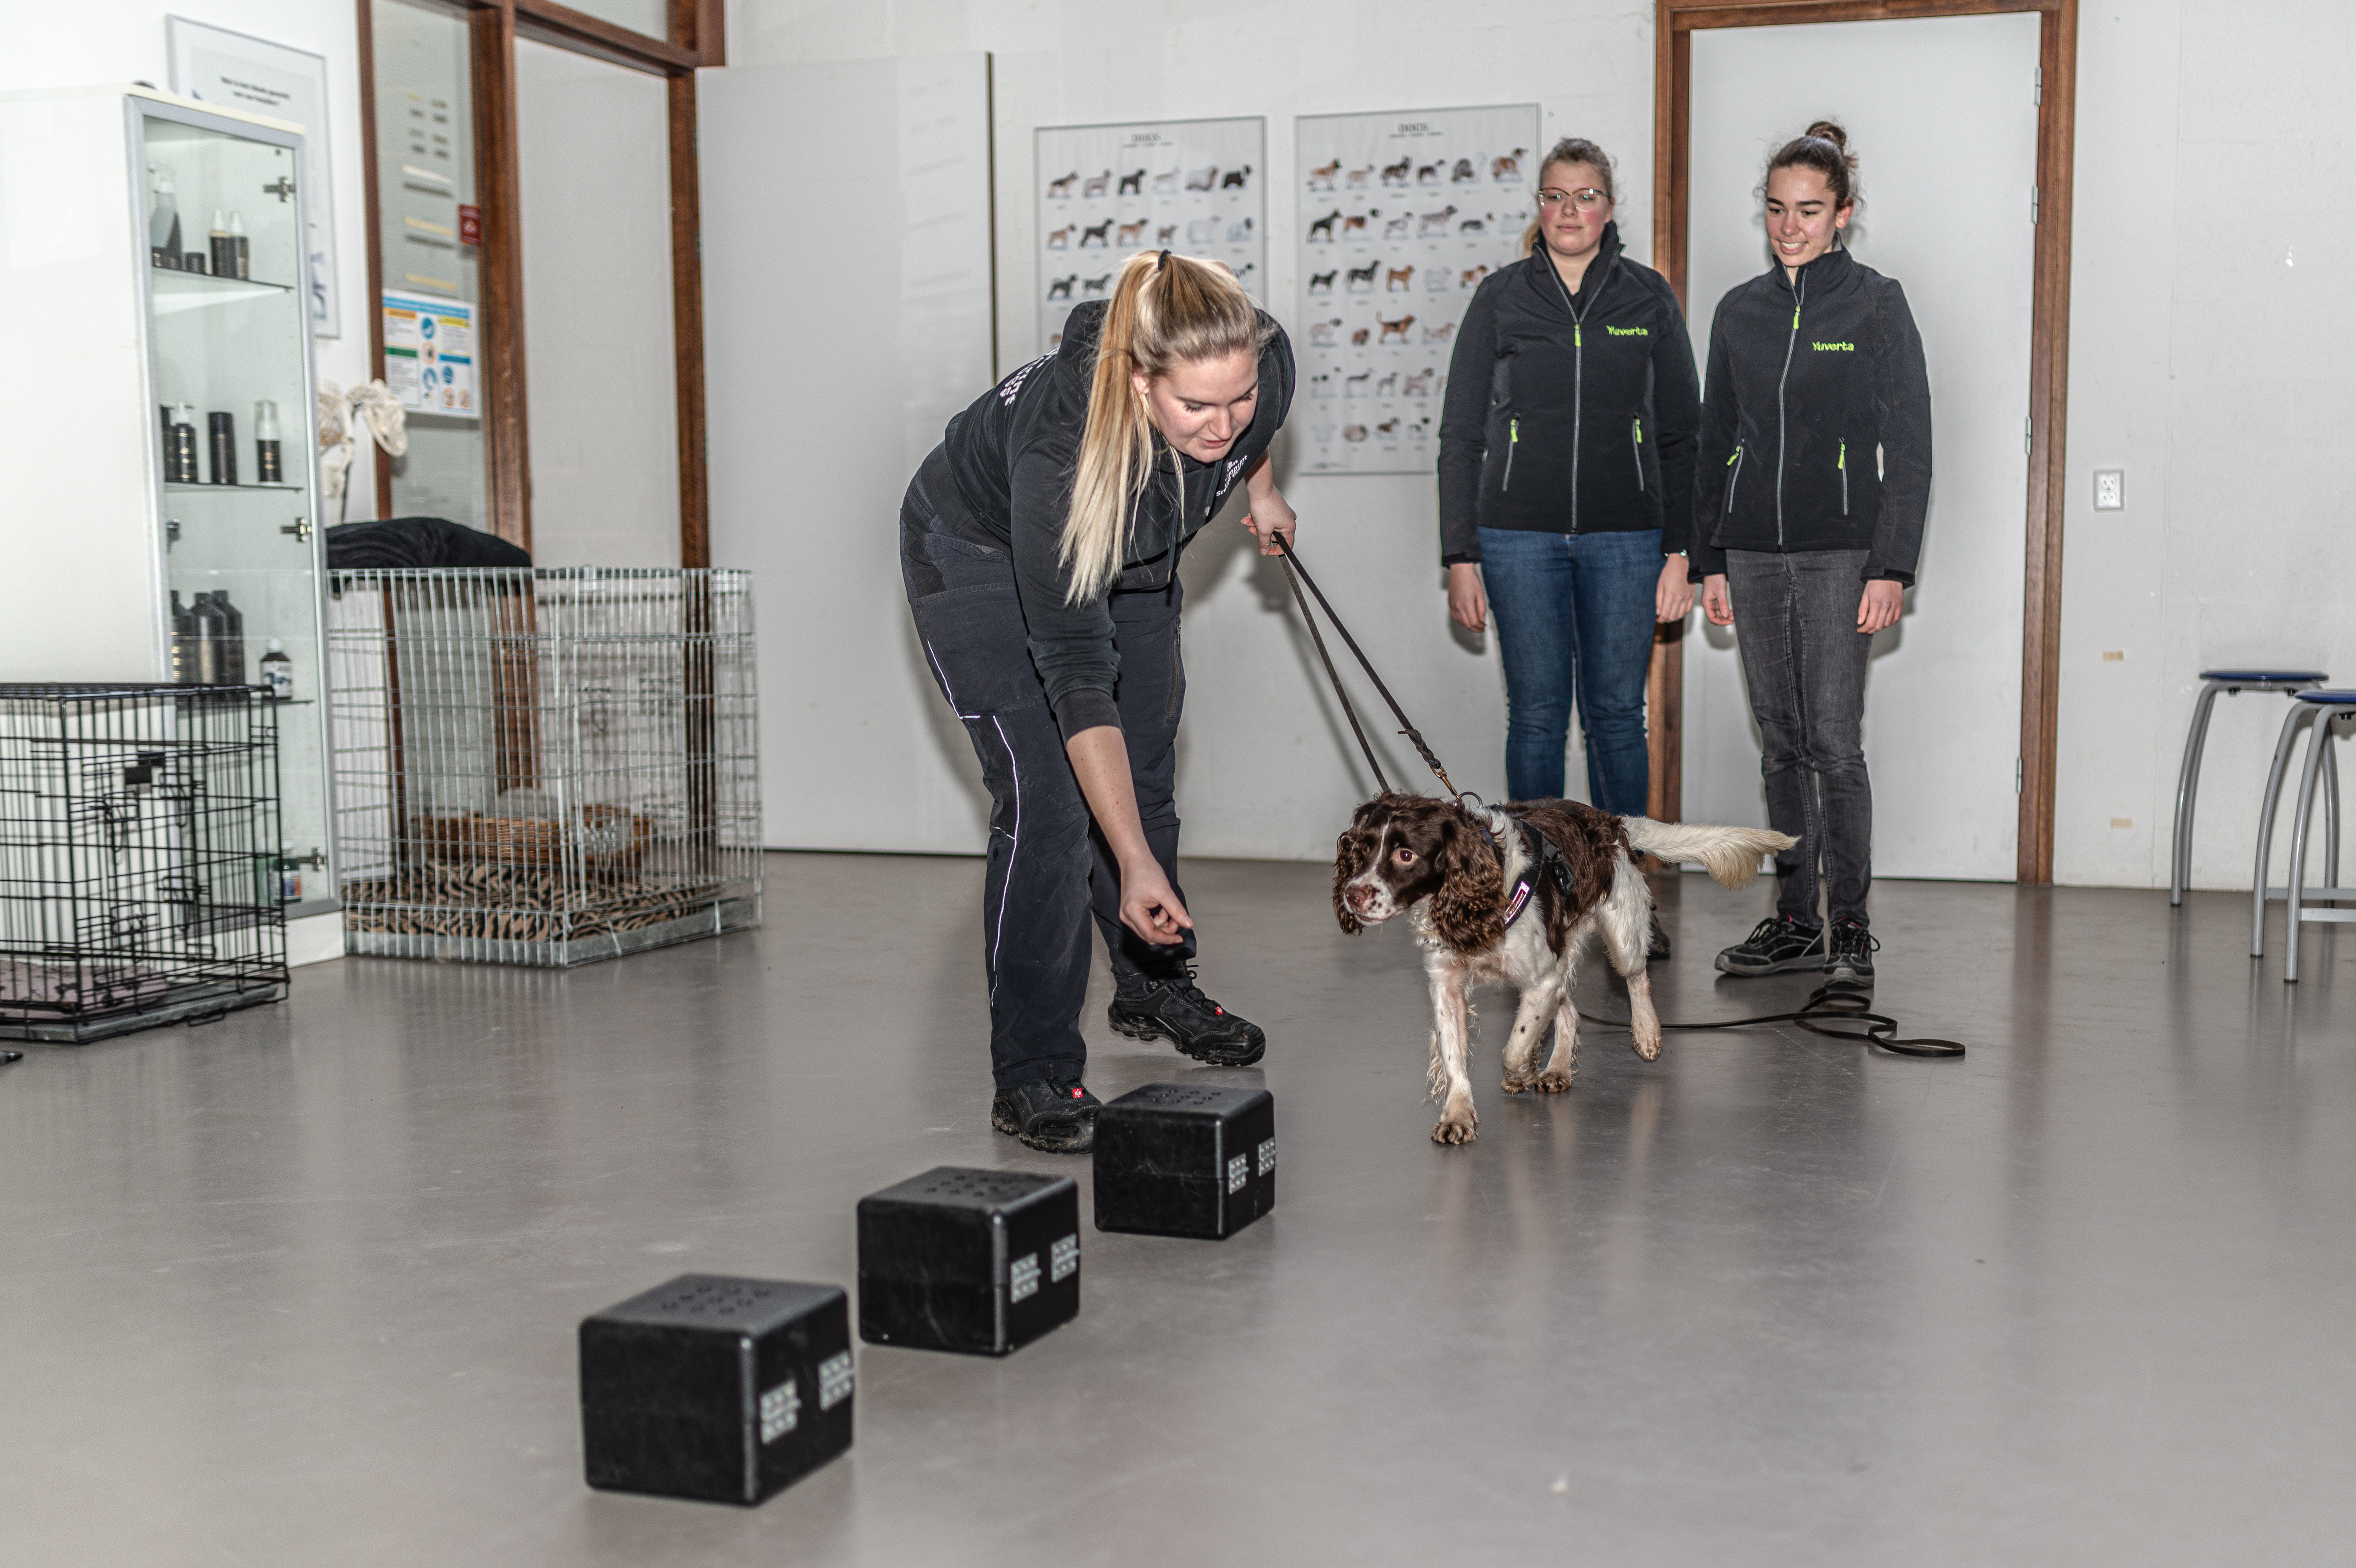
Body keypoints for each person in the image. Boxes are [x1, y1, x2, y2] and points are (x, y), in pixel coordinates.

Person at [899, 250, 1297, 1151]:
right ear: (1135, 378)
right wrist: (1133, 860)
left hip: (1136, 548)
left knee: (1147, 764)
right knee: (1048, 800)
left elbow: (1254, 435)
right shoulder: (1062, 451)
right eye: (1197, 406)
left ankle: (1152, 978)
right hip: (982, 555)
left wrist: (1263, 494)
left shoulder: (1257, 365)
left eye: (1237, 399)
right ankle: (1032, 1067)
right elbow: (1078, 673)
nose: (1223, 423)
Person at [1436, 137, 1700, 958]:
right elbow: (1459, 433)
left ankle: (1630, 896)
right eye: (1554, 197)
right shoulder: (1502, 299)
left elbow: (1685, 436)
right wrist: (1460, 554)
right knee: (1539, 717)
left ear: (1609, 207)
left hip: (1629, 539)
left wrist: (1682, 552)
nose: (1569, 212)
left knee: (1619, 718)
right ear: (1539, 208)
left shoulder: (1648, 299)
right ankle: (1542, 894)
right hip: (1517, 539)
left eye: (1585, 196)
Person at [1690, 121, 1932, 987]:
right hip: (1752, 554)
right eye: (1777, 209)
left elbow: (1909, 449)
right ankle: (1794, 918)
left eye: (1810, 210)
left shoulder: (1874, 303)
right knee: (1781, 743)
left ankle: (1853, 931)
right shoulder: (1738, 314)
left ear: (1843, 215)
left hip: (1841, 554)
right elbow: (1717, 441)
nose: (1790, 226)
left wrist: (1891, 565)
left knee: (1834, 743)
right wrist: (1708, 557)